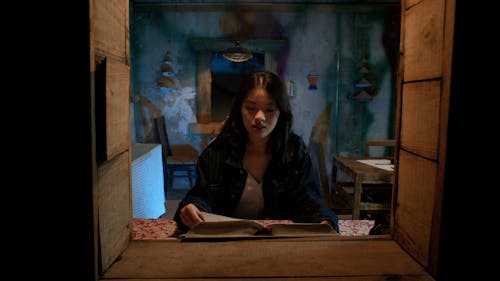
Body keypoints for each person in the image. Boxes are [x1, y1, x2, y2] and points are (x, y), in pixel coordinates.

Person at [173, 71, 338, 232]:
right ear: (239, 109)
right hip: (227, 243)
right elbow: (202, 195)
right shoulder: (217, 152)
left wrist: (323, 220)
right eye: (250, 108)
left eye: (269, 110)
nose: (259, 117)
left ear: (281, 113)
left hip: (280, 246)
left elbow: (309, 200)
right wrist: (192, 207)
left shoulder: (295, 152)